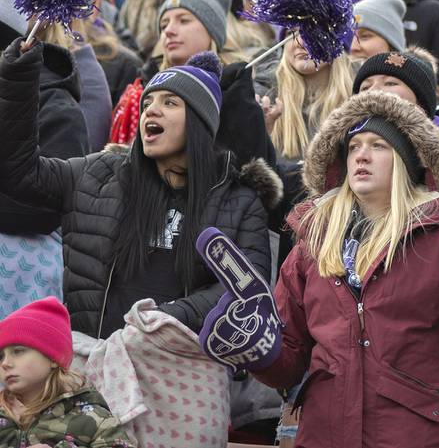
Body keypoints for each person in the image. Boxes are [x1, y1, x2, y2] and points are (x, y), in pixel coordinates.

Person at [251, 89, 439, 447]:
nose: (362, 155)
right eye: (354, 146)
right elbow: (288, 361)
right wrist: (252, 347)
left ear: (405, 161)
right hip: (324, 433)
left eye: (378, 145)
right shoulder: (313, 240)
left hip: (414, 435)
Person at [0, 40, 277, 340]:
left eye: (170, 103)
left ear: (200, 122)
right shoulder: (97, 174)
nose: (151, 111)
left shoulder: (238, 200)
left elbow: (246, 289)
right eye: (148, 103)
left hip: (180, 371)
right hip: (92, 366)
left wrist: (163, 319)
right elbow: (20, 174)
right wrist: (18, 79)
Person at [0, 298, 136, 447]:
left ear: (52, 358)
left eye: (18, 351)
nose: (5, 363)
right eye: (0, 357)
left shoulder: (94, 419)